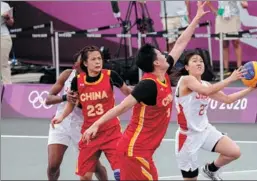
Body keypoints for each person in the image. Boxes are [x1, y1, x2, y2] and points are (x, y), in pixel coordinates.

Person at [81, 2, 210, 180]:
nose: (166, 54)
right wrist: (96, 124)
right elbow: (121, 107)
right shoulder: (148, 85)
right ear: (156, 63)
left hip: (141, 151)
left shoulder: (163, 73)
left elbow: (180, 43)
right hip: (135, 151)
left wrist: (196, 18)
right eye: (161, 54)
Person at [171, 50, 257, 180]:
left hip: (205, 130)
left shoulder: (205, 84)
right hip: (188, 137)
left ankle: (210, 170)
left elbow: (228, 99)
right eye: (194, 61)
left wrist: (251, 89)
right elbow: (207, 91)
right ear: (186, 67)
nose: (199, 63)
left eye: (201, 61)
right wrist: (230, 78)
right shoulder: (186, 80)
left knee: (234, 152)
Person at [51, 45, 132, 181]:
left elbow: (128, 92)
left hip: (111, 132)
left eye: (99, 59)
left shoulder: (110, 75)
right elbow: (72, 102)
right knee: (85, 177)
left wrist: (142, 96)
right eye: (93, 59)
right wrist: (61, 117)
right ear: (85, 63)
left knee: (121, 173)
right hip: (90, 134)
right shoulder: (78, 81)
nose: (98, 62)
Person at [45, 52, 107, 181]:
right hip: (61, 124)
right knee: (53, 166)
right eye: (82, 61)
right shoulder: (67, 74)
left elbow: (98, 106)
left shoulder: (96, 79)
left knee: (95, 167)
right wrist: (64, 97)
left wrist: (80, 103)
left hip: (83, 127)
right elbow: (48, 99)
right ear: (76, 65)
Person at [207, 1, 248, 76]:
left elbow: (244, 4)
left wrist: (244, 4)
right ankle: (226, 69)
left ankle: (239, 68)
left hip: (234, 15)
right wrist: (214, 10)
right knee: (224, 44)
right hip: (221, 13)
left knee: (236, 42)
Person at [1, 1, 14, 84]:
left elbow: (11, 23)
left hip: (2, 37)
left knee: (3, 64)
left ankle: (7, 89)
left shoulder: (4, 5)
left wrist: (7, 17)